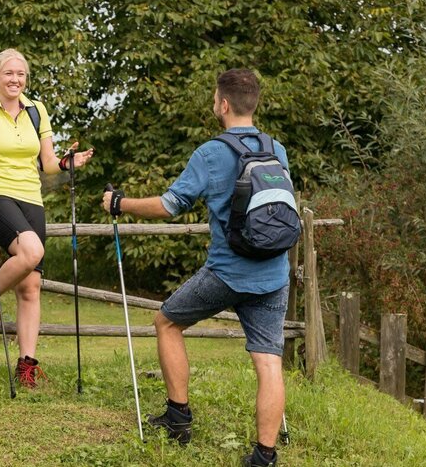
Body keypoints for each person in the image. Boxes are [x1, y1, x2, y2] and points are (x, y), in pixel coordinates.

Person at [101, 69, 289, 467]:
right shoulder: (278, 149)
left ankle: (178, 418)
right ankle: (265, 456)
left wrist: (121, 203)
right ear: (254, 103)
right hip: (274, 273)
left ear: (222, 104)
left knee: (167, 323)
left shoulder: (211, 153)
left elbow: (170, 205)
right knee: (268, 360)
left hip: (227, 272)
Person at [0, 48, 94, 388]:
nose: (15, 79)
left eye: (21, 74)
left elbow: (48, 164)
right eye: (9, 73)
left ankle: (26, 367)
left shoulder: (37, 111)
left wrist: (68, 162)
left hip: (31, 198)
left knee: (31, 285)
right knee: (32, 252)